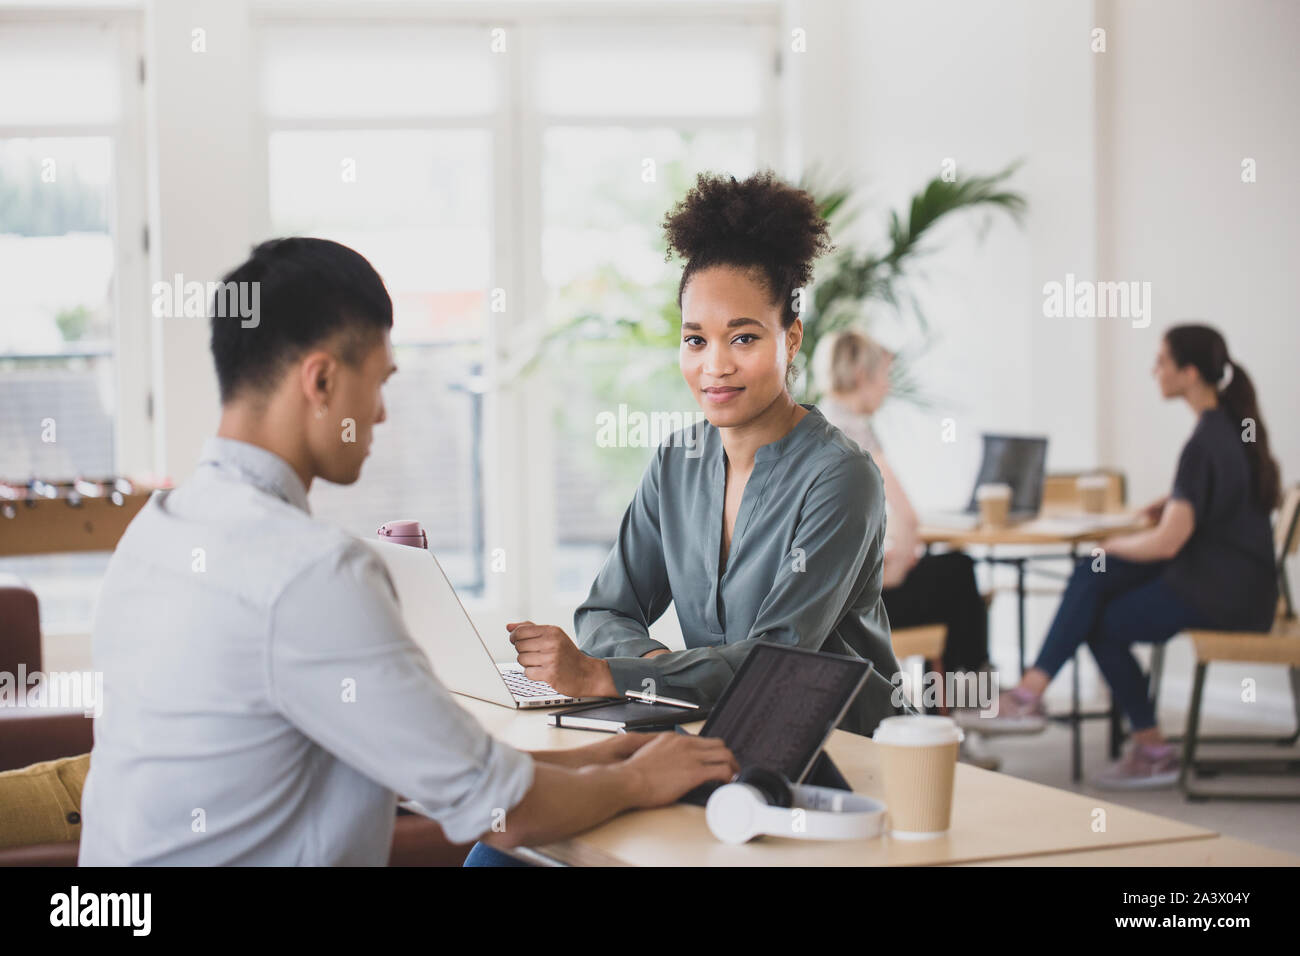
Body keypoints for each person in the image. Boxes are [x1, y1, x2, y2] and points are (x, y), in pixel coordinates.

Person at [78, 238, 737, 865]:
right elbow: (503, 807)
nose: (383, 414)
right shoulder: (311, 572)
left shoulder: (158, 529)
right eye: (380, 382)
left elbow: (442, 766)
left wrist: (611, 758)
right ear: (322, 381)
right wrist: (637, 783)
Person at [506, 170, 907, 738]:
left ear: (790, 339)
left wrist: (611, 677)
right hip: (718, 735)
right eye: (695, 340)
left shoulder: (841, 476)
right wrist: (650, 674)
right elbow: (605, 612)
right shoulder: (678, 461)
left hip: (843, 750)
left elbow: (777, 661)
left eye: (743, 338)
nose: (714, 365)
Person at [967, 324, 1280, 789]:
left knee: (1099, 597)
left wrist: (1107, 547)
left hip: (1221, 592)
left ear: (1189, 373)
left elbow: (1167, 543)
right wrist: (1170, 504)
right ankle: (1054, 703)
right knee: (1096, 578)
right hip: (1240, 585)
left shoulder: (1205, 441)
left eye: (1162, 362)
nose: (1154, 371)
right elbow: (1212, 510)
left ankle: (1048, 700)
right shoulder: (1230, 428)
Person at [814, 329, 998, 769]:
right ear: (862, 374)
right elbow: (907, 517)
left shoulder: (816, 423)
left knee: (950, 575)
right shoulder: (852, 432)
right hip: (858, 611)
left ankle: (951, 716)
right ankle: (967, 704)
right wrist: (894, 565)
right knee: (957, 571)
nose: (889, 387)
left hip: (827, 601)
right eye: (885, 376)